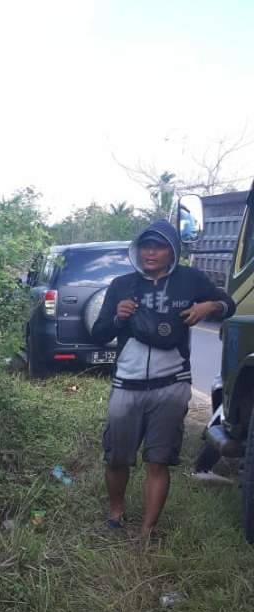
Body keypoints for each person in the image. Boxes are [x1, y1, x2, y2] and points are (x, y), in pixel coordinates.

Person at [89, 220, 234, 542]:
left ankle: (147, 530)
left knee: (159, 460)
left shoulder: (191, 280)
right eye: (145, 246)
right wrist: (118, 317)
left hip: (172, 384)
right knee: (117, 457)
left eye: (159, 246)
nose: (151, 252)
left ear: (173, 251)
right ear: (137, 250)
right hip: (126, 384)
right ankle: (115, 513)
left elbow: (229, 305)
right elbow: (98, 334)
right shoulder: (121, 285)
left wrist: (210, 305)